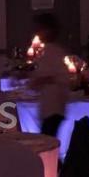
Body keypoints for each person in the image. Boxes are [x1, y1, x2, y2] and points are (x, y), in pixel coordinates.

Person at [29, 13, 71, 141]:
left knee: (48, 142)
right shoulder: (47, 51)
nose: (38, 32)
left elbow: (63, 77)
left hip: (54, 107)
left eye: (40, 29)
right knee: (48, 141)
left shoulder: (54, 52)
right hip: (50, 106)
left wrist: (41, 80)